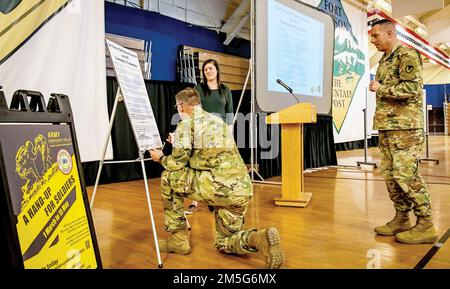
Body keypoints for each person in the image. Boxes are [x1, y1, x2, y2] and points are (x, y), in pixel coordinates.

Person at [149, 88, 285, 269]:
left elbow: (177, 164)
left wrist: (161, 157)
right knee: (224, 241)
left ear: (181, 106)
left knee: (168, 177)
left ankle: (178, 241)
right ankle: (259, 238)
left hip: (217, 187)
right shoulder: (217, 121)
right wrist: (181, 142)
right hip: (241, 189)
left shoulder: (185, 125)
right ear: (198, 103)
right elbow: (208, 153)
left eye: (177, 106)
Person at [369, 19, 438, 244]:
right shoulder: (385, 59)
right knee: (390, 175)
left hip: (405, 128)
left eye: (376, 36)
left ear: (390, 33)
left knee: (406, 174)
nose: (373, 40)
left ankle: (426, 223)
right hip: (389, 126)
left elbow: (412, 88)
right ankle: (401, 218)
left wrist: (381, 88)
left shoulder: (407, 55)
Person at [187, 59, 234, 213]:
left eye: (211, 68)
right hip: (203, 130)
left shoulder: (225, 89)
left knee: (216, 166)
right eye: (205, 69)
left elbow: (229, 114)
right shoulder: (198, 88)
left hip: (220, 132)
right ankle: (196, 199)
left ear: (217, 70)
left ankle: (214, 198)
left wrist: (229, 134)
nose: (208, 71)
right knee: (199, 164)